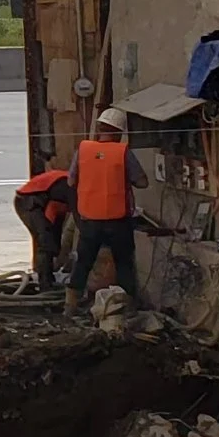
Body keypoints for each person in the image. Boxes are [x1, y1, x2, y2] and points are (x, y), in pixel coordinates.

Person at [66, 108, 153, 315]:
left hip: (89, 220)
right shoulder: (123, 152)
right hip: (118, 221)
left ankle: (70, 305)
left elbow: (70, 181)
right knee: (124, 263)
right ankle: (128, 306)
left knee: (83, 263)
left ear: (99, 128)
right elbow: (142, 182)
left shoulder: (83, 150)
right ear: (120, 132)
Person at [12, 164, 75, 292]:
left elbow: (55, 215)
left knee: (52, 242)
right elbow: (80, 219)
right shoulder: (69, 187)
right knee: (45, 242)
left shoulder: (67, 190)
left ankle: (48, 276)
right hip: (27, 202)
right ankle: (45, 285)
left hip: (43, 204)